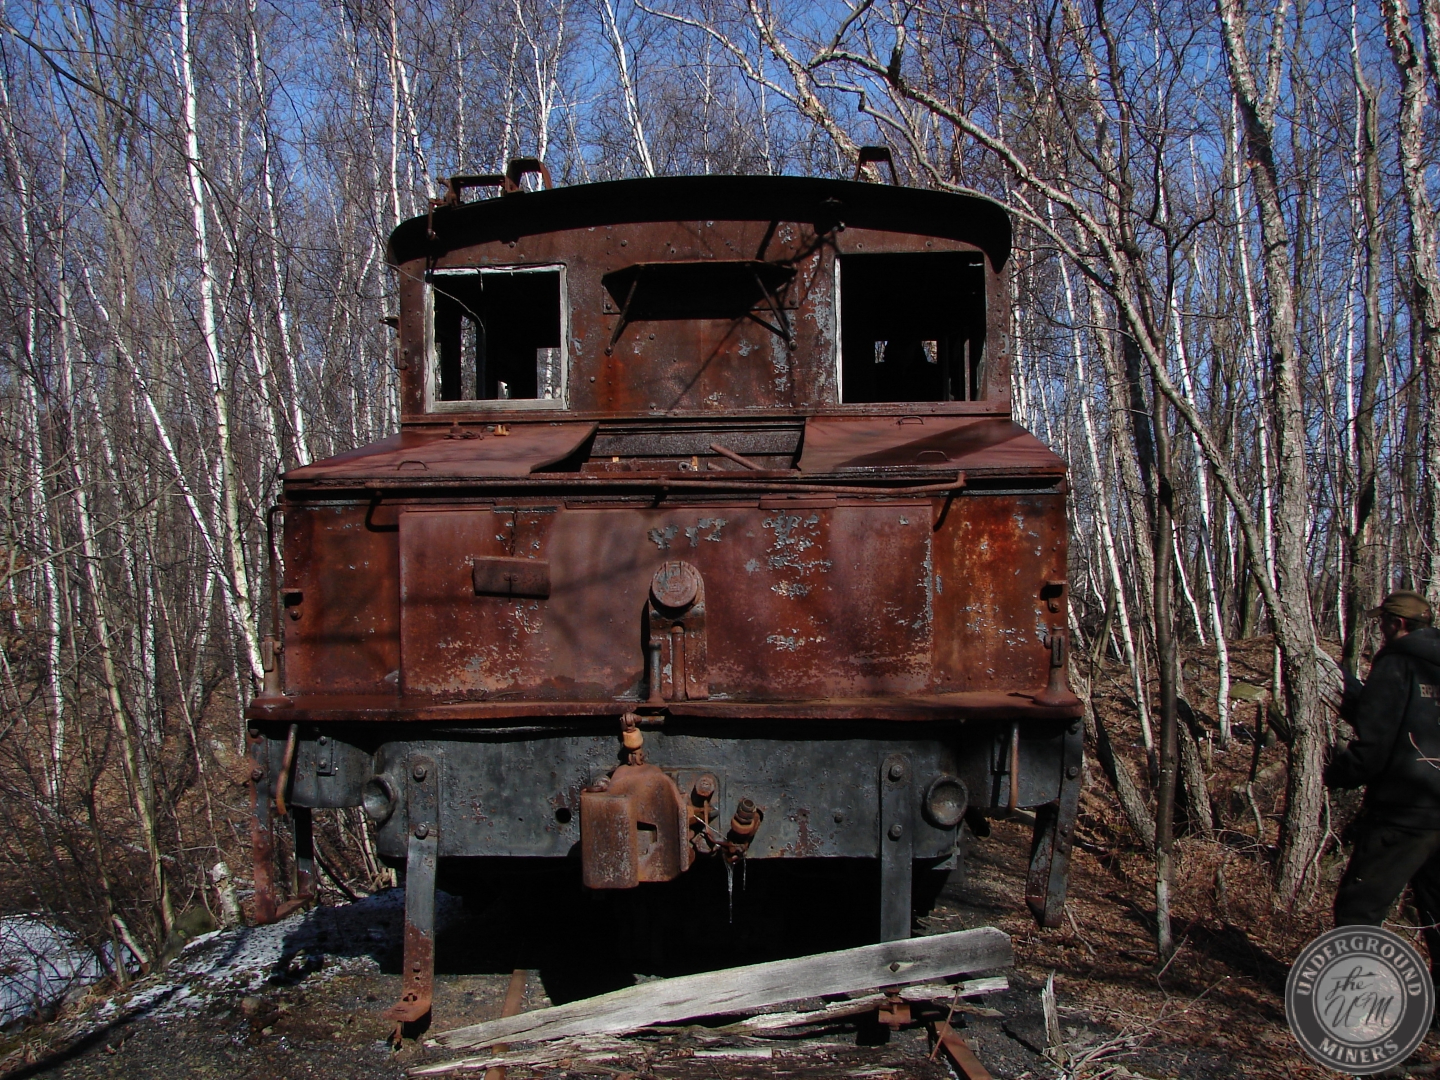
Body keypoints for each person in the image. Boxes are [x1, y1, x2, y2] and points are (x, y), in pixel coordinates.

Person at [1327, 590, 1440, 980]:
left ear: (1398, 624)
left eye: (1383, 622)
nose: (1380, 629)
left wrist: (1338, 771)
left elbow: (1374, 747)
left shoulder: (1395, 664)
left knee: (1360, 910)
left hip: (1402, 813)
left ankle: (1350, 1004)